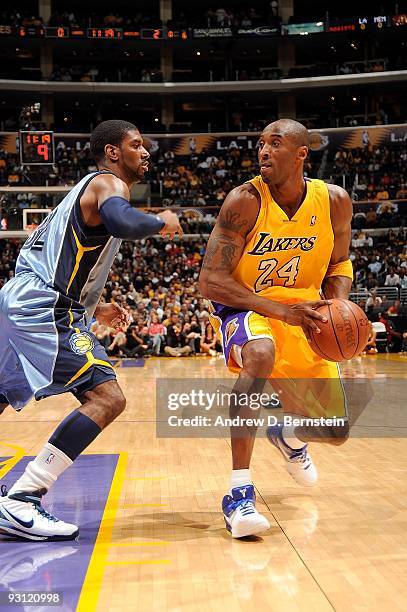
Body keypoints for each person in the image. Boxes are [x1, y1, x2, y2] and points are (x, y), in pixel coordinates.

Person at [0, 120, 181, 541]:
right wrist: (161, 220)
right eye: (137, 144)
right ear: (114, 152)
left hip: (20, 300)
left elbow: (66, 259)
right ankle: (22, 499)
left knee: (4, 393)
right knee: (106, 396)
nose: (146, 151)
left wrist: (94, 307)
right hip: (45, 307)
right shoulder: (107, 185)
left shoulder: (80, 193)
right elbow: (123, 222)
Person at [199, 119, 353, 538]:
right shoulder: (244, 200)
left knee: (336, 432)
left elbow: (339, 265)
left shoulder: (334, 201)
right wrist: (280, 312)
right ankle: (239, 493)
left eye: (275, 144)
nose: (263, 151)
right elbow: (210, 281)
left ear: (301, 153)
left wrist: (337, 306)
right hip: (246, 304)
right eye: (261, 144)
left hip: (307, 312)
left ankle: (288, 436)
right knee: (261, 354)